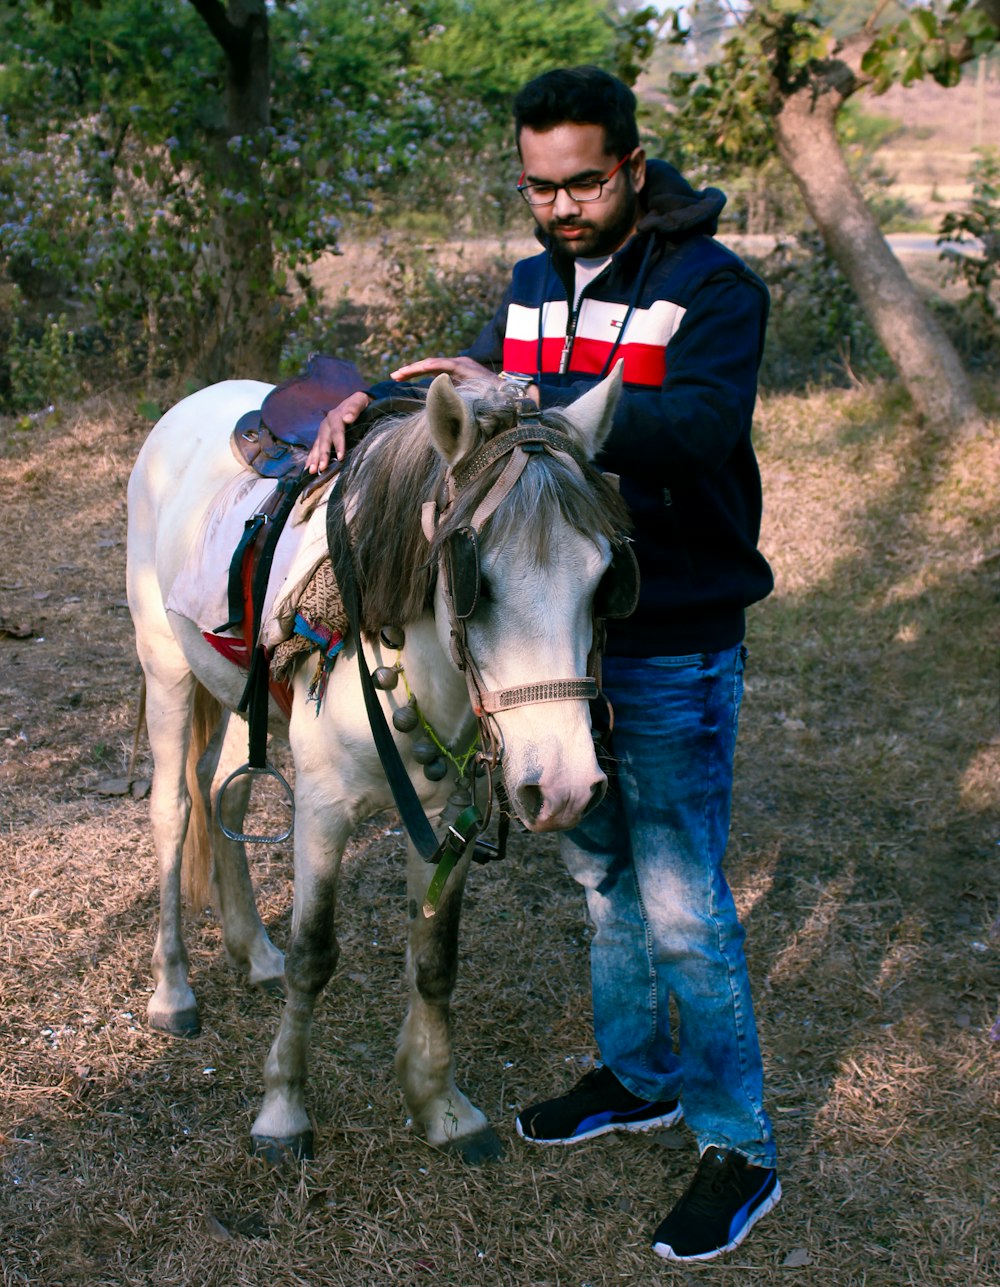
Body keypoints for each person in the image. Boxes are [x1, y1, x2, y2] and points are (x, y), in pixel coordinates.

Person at [307, 65, 779, 1265]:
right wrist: (347, 404)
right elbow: (452, 391)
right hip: (548, 652)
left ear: (629, 167)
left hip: (668, 636)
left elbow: (696, 429)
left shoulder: (711, 288)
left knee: (680, 904)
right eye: (538, 188)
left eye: (582, 183)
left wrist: (521, 394)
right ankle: (636, 1075)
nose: (560, 208)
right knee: (601, 883)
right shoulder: (529, 288)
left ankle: (738, 1144)